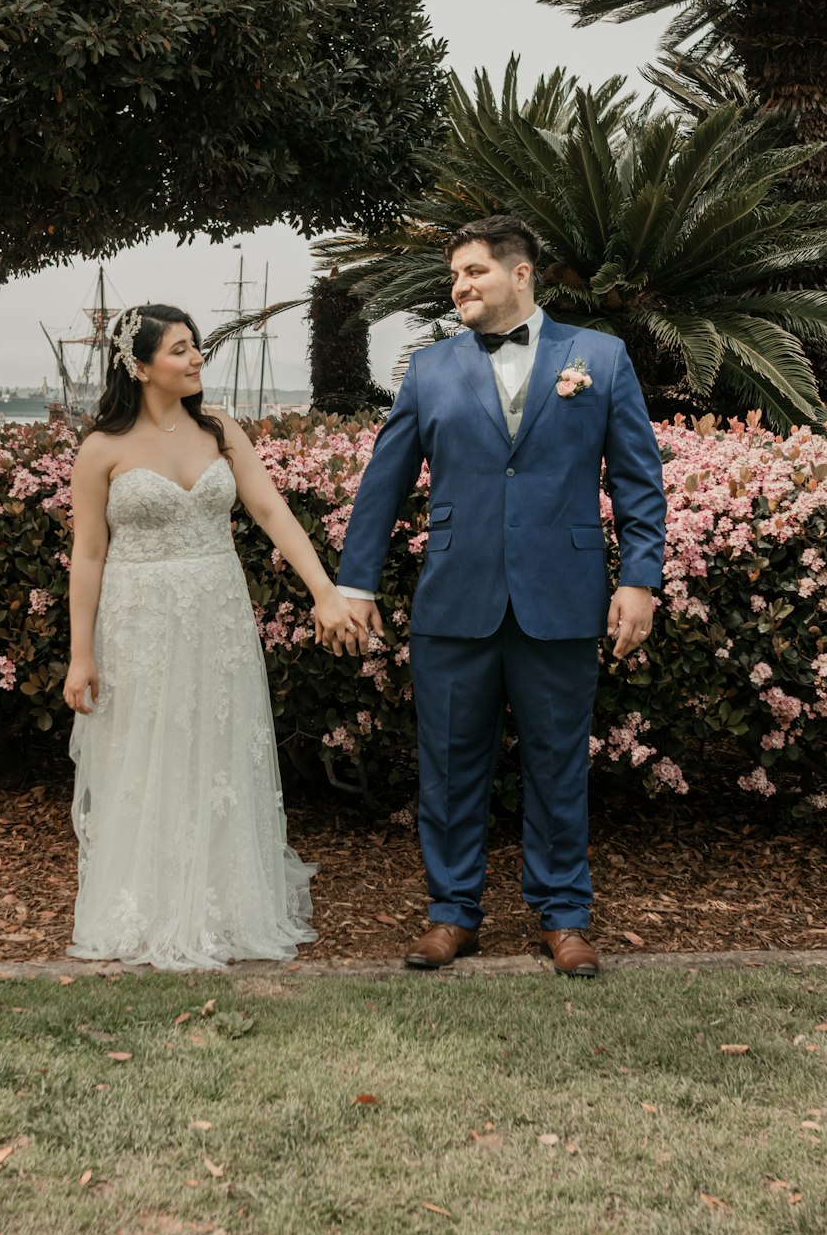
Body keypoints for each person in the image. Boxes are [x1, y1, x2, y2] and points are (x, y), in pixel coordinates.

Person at [328, 216, 667, 977]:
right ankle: (451, 914)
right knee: (448, 764)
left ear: (522, 274)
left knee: (557, 764)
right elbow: (382, 483)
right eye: (455, 276)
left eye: (474, 271)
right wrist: (356, 581)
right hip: (456, 599)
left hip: (564, 595)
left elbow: (639, 483)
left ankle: (564, 917)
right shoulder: (429, 369)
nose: (460, 286)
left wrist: (640, 578)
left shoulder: (599, 359)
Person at [63, 303, 362, 969]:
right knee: (150, 749)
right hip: (138, 617)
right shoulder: (102, 449)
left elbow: (268, 508)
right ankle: (150, 903)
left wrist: (324, 590)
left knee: (216, 745)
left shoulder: (222, 430)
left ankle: (224, 900)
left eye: (196, 345)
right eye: (178, 349)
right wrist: (81, 655)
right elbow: (87, 554)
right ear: (139, 367)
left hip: (217, 611)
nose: (196, 357)